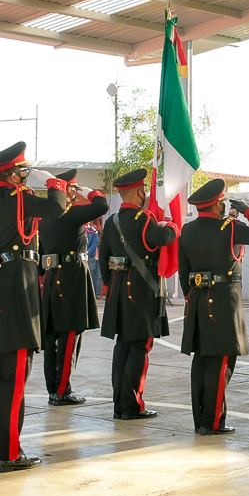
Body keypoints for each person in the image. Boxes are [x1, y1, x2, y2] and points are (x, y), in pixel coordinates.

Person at [0, 142, 66, 472]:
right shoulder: (19, 199)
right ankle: (8, 454)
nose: (25, 177)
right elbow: (58, 207)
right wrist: (53, 183)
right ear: (14, 174)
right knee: (14, 378)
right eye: (23, 172)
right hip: (16, 295)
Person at [178, 178, 249, 434]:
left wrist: (193, 296)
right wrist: (248, 211)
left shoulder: (187, 231)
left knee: (201, 362)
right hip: (222, 301)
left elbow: (183, 271)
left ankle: (201, 422)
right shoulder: (228, 229)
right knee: (221, 362)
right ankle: (213, 422)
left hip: (197, 300)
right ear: (219, 204)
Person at [99, 169, 175, 419]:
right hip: (140, 291)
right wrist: (174, 225)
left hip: (119, 291)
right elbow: (162, 237)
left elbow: (104, 259)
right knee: (140, 348)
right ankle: (132, 405)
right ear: (140, 191)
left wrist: (112, 285)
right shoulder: (144, 219)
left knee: (123, 348)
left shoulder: (112, 221)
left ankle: (120, 405)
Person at [39, 169, 108, 407]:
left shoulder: (45, 217)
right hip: (70, 278)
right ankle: (62, 390)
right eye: (73, 188)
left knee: (52, 338)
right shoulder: (70, 213)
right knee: (69, 335)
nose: (75, 193)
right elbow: (101, 206)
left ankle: (54, 389)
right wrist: (90, 192)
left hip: (52, 278)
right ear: (66, 190)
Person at [85, 218, 102, 296]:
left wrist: (87, 252)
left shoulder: (93, 231)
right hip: (83, 255)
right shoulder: (80, 229)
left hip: (91, 255)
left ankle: (95, 293)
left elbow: (94, 243)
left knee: (93, 274)